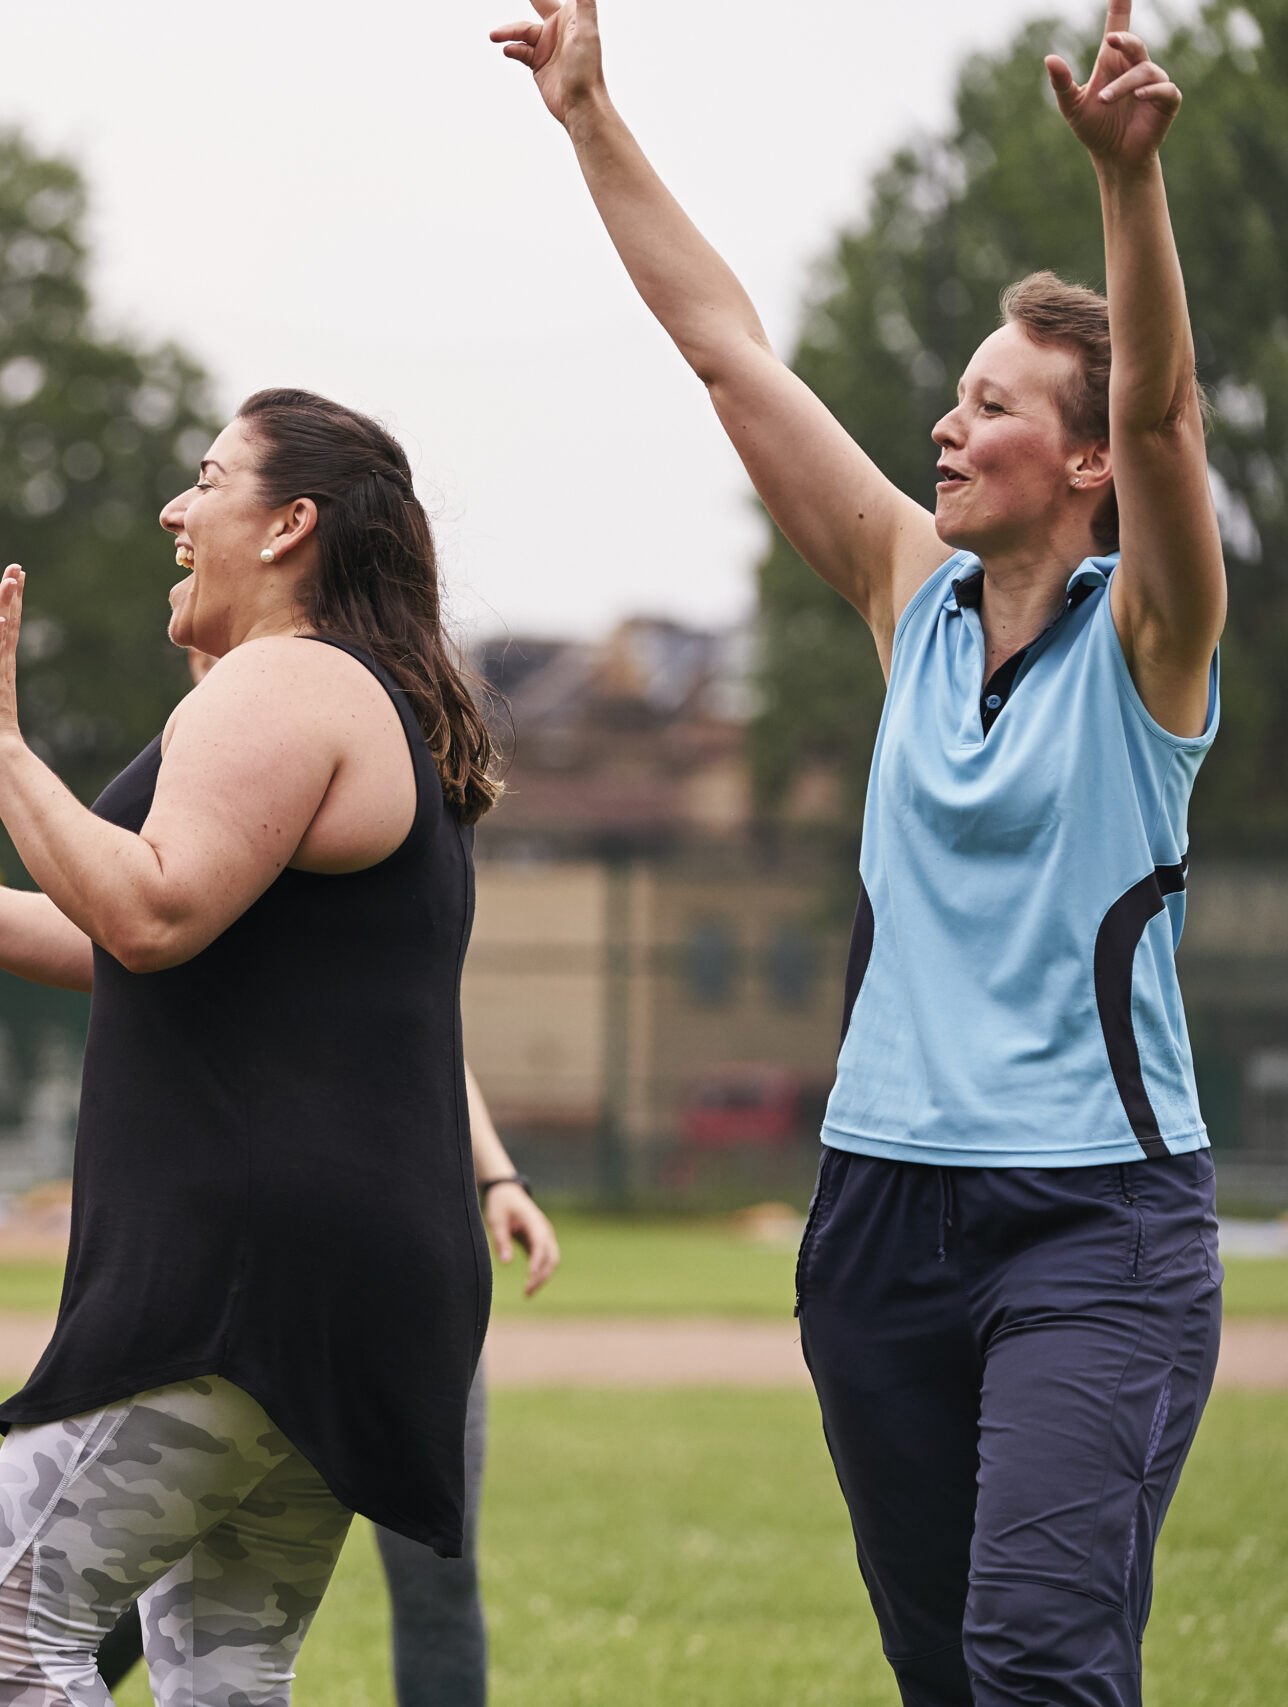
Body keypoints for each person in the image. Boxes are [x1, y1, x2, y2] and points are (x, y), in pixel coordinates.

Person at [493, 5, 1226, 1701]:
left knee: (1040, 1656)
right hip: (880, 1211)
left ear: (1087, 461)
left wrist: (1131, 187)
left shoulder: (1153, 641)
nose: (948, 432)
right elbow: (727, 350)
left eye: (992, 407)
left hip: (1094, 1222)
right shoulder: (913, 593)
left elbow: (1177, 421)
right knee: (949, 1674)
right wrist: (590, 118)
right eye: (953, 403)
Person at [0, 387, 500, 1705]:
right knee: (223, 1663)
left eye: (207, 480)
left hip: (251, 1275)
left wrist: (1, 745)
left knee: (11, 1634)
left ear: (291, 523)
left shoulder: (286, 679)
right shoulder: (355, 694)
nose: (175, 512)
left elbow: (148, 911)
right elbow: (111, 937)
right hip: (349, 1276)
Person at [90, 662, 563, 1707]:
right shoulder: (217, 788)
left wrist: (494, 1176)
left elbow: (420, 1037)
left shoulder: (393, 784)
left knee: (428, 1573)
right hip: (247, 1255)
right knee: (131, 1584)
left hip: (388, 1246)